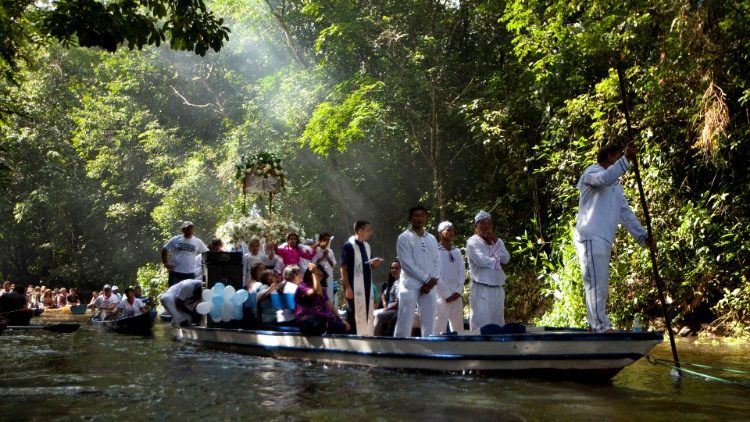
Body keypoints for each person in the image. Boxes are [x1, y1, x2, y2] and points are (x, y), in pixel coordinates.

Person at [574, 142, 655, 332]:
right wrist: (625, 160)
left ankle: (596, 326)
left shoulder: (616, 187)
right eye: (618, 156)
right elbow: (604, 178)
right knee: (596, 283)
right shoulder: (591, 173)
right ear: (610, 157)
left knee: (599, 282)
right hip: (590, 234)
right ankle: (599, 326)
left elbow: (625, 214)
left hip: (603, 238)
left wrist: (643, 237)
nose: (621, 159)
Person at [394, 206, 440, 338]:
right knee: (405, 320)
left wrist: (431, 281)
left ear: (426, 218)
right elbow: (406, 264)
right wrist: (426, 278)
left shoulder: (432, 238)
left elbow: (437, 261)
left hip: (429, 286)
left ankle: (429, 352)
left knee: (430, 321)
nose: (419, 218)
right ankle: (400, 352)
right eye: (416, 216)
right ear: (410, 219)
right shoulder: (403, 238)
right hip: (410, 285)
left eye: (422, 215)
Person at [466, 211, 510, 330]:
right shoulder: (472, 242)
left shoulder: (497, 241)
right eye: (482, 223)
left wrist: (495, 240)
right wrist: (498, 262)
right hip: (481, 289)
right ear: (476, 226)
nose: (486, 226)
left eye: (488, 223)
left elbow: (506, 258)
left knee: (499, 325)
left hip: (498, 289)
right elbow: (481, 261)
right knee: (481, 327)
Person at [340, 220, 383, 335]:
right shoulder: (348, 245)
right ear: (360, 231)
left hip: (367, 285)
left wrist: (374, 265)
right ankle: (353, 338)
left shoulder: (367, 246)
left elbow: (368, 267)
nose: (370, 232)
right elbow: (343, 268)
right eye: (368, 230)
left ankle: (366, 335)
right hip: (353, 286)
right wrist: (348, 287)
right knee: (354, 312)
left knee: (367, 311)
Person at [295, 263, 349, 335]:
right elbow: (317, 292)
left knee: (343, 326)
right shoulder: (302, 286)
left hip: (322, 319)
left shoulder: (322, 290)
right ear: (309, 275)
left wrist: (341, 320)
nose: (318, 277)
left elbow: (331, 306)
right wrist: (313, 272)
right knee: (318, 326)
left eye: (320, 275)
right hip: (307, 320)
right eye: (316, 274)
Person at [435, 221, 466, 334]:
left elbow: (462, 272)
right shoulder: (435, 251)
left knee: (458, 330)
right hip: (441, 297)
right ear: (440, 233)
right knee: (439, 329)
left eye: (452, 230)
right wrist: (446, 294)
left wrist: (458, 291)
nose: (451, 232)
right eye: (448, 230)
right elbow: (436, 273)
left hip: (456, 296)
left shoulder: (457, 251)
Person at [161, 221, 208, 287]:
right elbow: (164, 249)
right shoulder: (175, 239)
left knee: (188, 293)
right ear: (183, 230)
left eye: (191, 228)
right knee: (173, 291)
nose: (189, 230)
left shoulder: (198, 241)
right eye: (187, 228)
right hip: (175, 272)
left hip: (190, 272)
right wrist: (165, 263)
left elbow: (207, 253)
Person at [373, 260, 401, 336]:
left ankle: (373, 338)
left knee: (379, 316)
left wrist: (387, 309)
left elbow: (399, 303)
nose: (394, 270)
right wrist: (385, 304)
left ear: (401, 270)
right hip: (388, 308)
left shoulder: (402, 283)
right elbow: (383, 295)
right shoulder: (394, 282)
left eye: (396, 268)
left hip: (396, 310)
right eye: (392, 268)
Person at [313, 233, 337, 304]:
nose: (326, 242)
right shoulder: (316, 250)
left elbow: (333, 264)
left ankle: (329, 308)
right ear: (320, 240)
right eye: (324, 240)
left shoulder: (330, 251)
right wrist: (323, 257)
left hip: (329, 272)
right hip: (319, 272)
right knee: (320, 288)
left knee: (329, 288)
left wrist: (327, 257)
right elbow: (314, 262)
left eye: (328, 240)